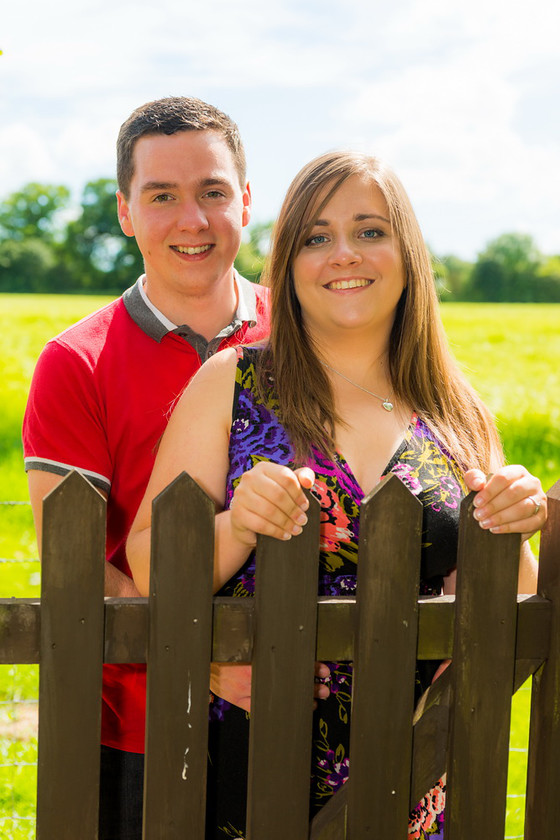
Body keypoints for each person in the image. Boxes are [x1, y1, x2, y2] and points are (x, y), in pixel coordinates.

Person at [126, 149, 546, 838]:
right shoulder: (232, 386)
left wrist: (512, 522)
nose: (343, 254)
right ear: (288, 265)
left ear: (407, 253)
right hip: (252, 773)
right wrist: (237, 525)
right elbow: (149, 566)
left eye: (370, 231)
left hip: (417, 777)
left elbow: (506, 618)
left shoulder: (455, 410)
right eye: (316, 237)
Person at [22, 96, 275, 840]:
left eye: (213, 192)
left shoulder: (306, 335)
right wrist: (202, 658)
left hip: (302, 708)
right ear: (127, 212)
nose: (191, 220)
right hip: (137, 727)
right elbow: (74, 559)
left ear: (247, 202)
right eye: (161, 196)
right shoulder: (76, 363)